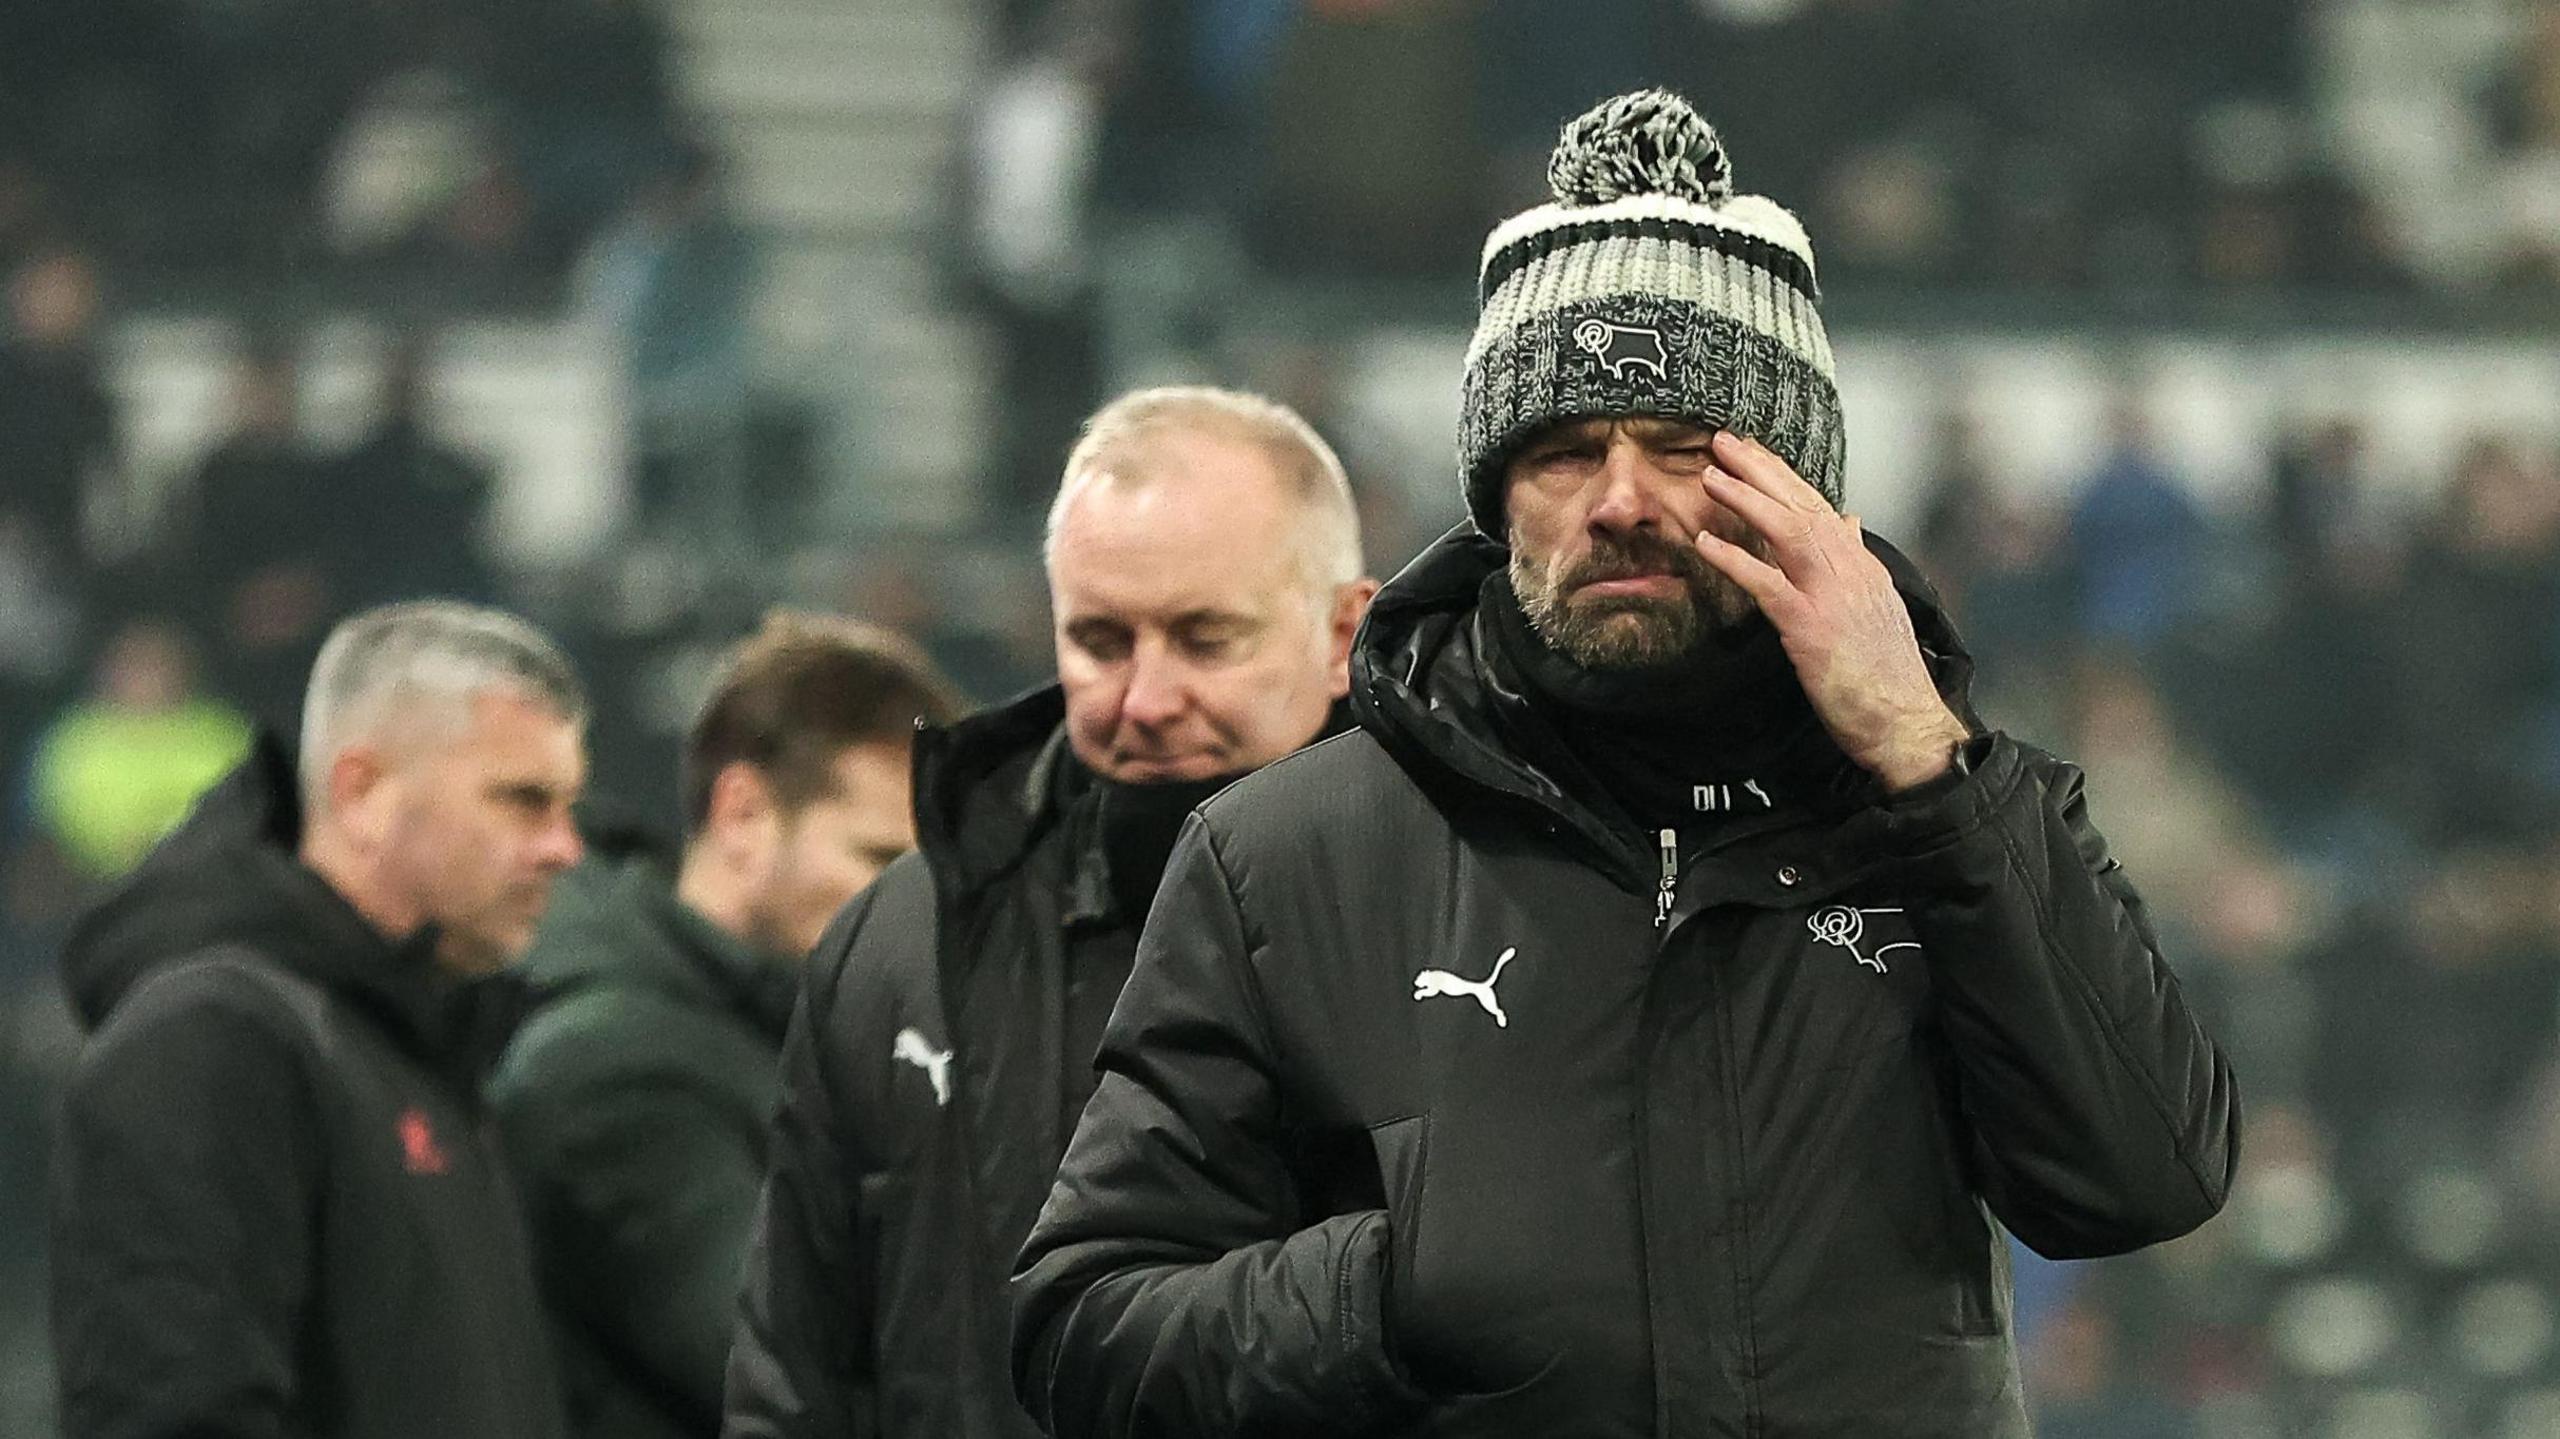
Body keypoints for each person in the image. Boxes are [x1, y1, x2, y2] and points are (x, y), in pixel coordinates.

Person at [1009, 90, 2239, 1438]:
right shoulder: (1291, 851)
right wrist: (1375, 1288)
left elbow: (2147, 1176)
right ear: (1496, 491)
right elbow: (1082, 1324)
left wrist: (1922, 754)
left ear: (1796, 494)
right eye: (1563, 447)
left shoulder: (1961, 816)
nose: (1619, 499)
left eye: (1681, 447)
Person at [721, 386, 1378, 1438]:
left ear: (1343, 628)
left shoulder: (1464, 916)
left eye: (1205, 638)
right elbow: (794, 1379)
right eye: (1101, 640)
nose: (1144, 696)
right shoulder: (898, 945)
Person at [51, 600, 588, 1439]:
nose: (565, 847)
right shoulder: (214, 1041)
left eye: (566, 806)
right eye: (522, 800)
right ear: (362, 792)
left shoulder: (417, 1045)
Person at [491, 611, 963, 1439]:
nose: (922, 912)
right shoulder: (612, 1071)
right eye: (879, 860)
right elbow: (798, 1375)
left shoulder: (814, 1035)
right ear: (743, 814)